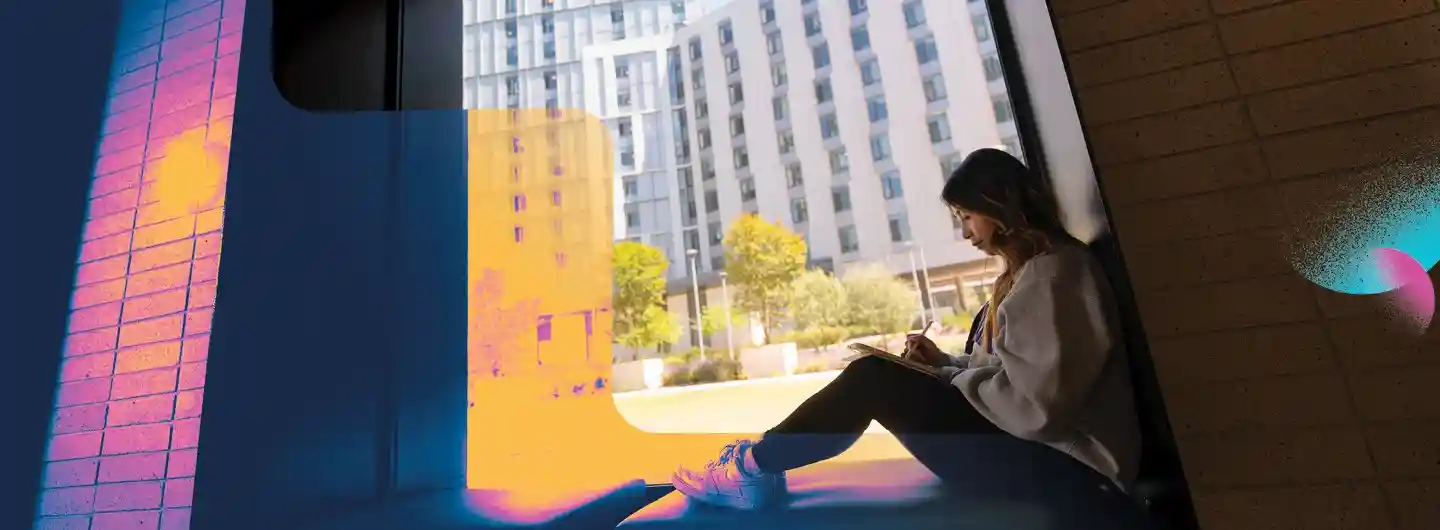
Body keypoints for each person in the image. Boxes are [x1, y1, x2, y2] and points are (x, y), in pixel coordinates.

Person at [670, 148, 1144, 510]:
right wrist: (942, 365)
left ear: (998, 206)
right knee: (878, 373)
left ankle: (754, 469)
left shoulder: (1054, 274)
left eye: (966, 217)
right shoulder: (1033, 274)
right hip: (1042, 454)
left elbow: (1036, 407)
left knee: (872, 379)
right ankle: (760, 463)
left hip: (1067, 470)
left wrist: (946, 379)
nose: (965, 233)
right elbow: (1012, 375)